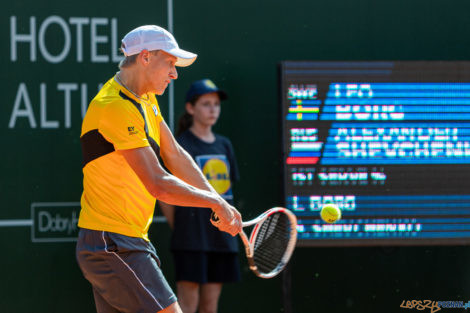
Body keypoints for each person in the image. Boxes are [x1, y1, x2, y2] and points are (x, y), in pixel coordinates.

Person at [75, 25, 242, 313]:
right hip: (112, 243)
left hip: (125, 241)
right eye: (170, 63)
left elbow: (175, 155)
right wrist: (215, 201)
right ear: (145, 58)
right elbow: (157, 182)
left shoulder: (146, 101)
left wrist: (217, 199)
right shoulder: (114, 106)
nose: (175, 74)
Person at [159, 79, 240, 313]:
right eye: (206, 104)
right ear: (191, 108)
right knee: (186, 305)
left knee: (210, 305)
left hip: (222, 238)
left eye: (216, 104)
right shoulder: (180, 146)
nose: (213, 109)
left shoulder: (225, 145)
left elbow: (227, 192)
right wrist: (183, 227)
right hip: (191, 239)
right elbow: (165, 193)